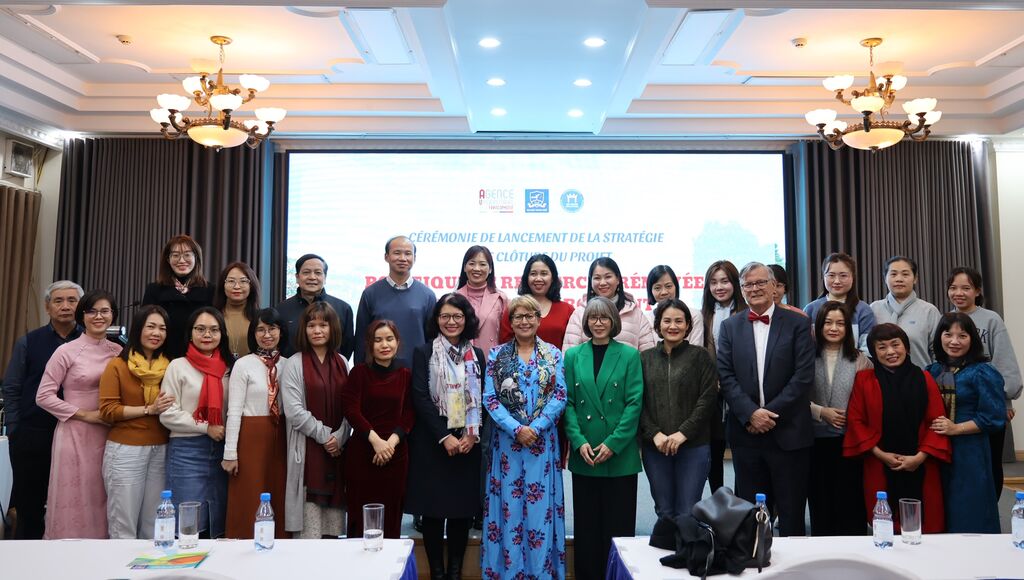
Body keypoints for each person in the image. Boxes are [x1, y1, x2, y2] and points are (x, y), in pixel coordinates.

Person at [717, 262, 815, 537]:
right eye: (748, 284)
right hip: (746, 435)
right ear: (741, 290)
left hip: (789, 434)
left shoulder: (798, 323)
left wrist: (767, 414)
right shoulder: (729, 326)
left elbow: (803, 376)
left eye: (761, 282)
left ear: (774, 286)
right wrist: (751, 414)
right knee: (751, 517)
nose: (755, 288)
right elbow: (726, 376)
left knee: (792, 514)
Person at [481, 296, 567, 579]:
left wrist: (537, 427)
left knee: (540, 512)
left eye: (530, 316)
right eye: (518, 317)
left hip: (542, 445)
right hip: (508, 446)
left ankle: (540, 573)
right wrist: (517, 429)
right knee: (510, 510)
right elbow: (490, 398)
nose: (524, 321)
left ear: (538, 320)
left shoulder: (553, 354)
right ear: (511, 322)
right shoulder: (497, 355)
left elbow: (560, 395)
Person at [563, 297, 643, 580]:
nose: (598, 323)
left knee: (618, 529)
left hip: (619, 455)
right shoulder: (573, 356)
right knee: (586, 530)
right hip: (585, 453)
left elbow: (634, 403)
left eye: (604, 318)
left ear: (614, 321)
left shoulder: (629, 355)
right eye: (593, 318)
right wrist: (578, 441)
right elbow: (568, 403)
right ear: (586, 322)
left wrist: (613, 443)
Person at [844, 323, 951, 533]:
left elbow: (936, 422)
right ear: (873, 352)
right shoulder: (864, 380)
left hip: (921, 464)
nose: (890, 352)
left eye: (895, 344)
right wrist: (880, 454)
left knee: (926, 523)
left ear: (906, 347)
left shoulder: (924, 378)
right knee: (885, 524)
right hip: (880, 462)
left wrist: (919, 457)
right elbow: (856, 421)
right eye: (882, 347)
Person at [406, 294, 484, 580]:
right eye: (445, 316)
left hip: (467, 443)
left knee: (461, 513)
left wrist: (471, 435)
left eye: (457, 316)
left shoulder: (478, 355)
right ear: (436, 319)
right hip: (432, 442)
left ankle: (455, 572)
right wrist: (444, 436)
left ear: (467, 320)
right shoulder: (424, 352)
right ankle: (437, 572)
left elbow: (483, 399)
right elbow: (420, 397)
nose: (451, 322)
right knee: (434, 512)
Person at [35, 289, 122, 538]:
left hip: (109, 434)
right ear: (82, 315)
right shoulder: (66, 351)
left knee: (104, 494)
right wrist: (85, 415)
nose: (98, 316)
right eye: (91, 311)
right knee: (74, 496)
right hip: (74, 433)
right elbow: (43, 396)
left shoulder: (118, 351)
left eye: (104, 311)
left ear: (113, 315)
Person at [2, 280, 83, 539]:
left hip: (78, 434)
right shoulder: (28, 341)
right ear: (47, 307)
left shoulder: (90, 340)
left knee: (75, 503)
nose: (65, 306)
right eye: (58, 301)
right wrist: (15, 428)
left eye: (72, 300)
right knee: (30, 506)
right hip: (33, 434)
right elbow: (11, 388)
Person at [98, 305, 176, 539]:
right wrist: (149, 409)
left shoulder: (171, 366)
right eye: (150, 326)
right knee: (123, 523)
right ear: (138, 329)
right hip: (125, 450)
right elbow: (107, 410)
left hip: (161, 448)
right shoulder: (118, 365)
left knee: (154, 525)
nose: (157, 333)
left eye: (162, 328)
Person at [947, 266, 1022, 498]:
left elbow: (1004, 363)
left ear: (978, 291)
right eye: (953, 288)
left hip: (988, 403)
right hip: (958, 405)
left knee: (990, 462)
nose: (959, 293)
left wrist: (1004, 401)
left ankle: (991, 509)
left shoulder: (991, 319)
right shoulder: (946, 319)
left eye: (966, 288)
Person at [926, 313, 1005, 533]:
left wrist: (955, 429)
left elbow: (994, 417)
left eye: (962, 335)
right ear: (939, 337)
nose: (954, 341)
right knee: (939, 509)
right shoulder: (932, 370)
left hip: (969, 450)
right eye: (948, 334)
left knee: (969, 509)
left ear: (972, 339)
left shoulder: (982, 372)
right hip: (937, 450)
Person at [639, 298, 717, 520]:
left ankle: (688, 545)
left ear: (688, 325)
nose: (672, 326)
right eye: (667, 321)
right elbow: (637, 401)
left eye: (679, 321)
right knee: (664, 511)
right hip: (656, 447)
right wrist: (654, 433)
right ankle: (666, 545)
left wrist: (683, 433)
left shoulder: (700, 356)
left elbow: (708, 399)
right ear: (658, 325)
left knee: (687, 511)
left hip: (693, 446)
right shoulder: (645, 358)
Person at [159, 306, 233, 538]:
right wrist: (206, 427)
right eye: (200, 329)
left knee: (218, 519)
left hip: (222, 450)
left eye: (214, 330)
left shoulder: (229, 368)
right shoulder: (177, 366)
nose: (207, 335)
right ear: (190, 333)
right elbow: (168, 413)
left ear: (222, 334)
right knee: (188, 522)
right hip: (186, 451)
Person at [280, 302, 351, 538]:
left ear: (333, 328)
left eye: (323, 325)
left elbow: (350, 407)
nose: (317, 330)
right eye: (311, 325)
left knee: (332, 533)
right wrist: (327, 437)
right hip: (307, 451)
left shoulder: (343, 362)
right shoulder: (294, 363)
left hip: (337, 454)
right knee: (308, 535)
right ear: (304, 329)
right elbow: (294, 411)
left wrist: (340, 438)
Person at [342, 320, 415, 539]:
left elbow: (409, 413)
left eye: (389, 339)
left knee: (391, 518)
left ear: (397, 342)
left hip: (396, 455)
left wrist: (390, 444)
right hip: (363, 454)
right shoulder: (359, 373)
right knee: (359, 517)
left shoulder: (406, 374)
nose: (385, 345)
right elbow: (351, 409)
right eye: (378, 340)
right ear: (369, 345)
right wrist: (376, 442)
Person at [223, 308, 289, 539]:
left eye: (272, 328)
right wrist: (230, 453)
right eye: (260, 329)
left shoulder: (289, 364)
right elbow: (234, 411)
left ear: (281, 332)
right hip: (250, 437)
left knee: (279, 493)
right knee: (249, 495)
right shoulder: (243, 364)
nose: (266, 334)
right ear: (253, 334)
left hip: (282, 436)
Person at [807, 301, 871, 536]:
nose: (834, 328)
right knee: (820, 501)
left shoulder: (861, 360)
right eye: (828, 323)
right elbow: (794, 397)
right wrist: (820, 411)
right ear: (818, 326)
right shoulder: (805, 357)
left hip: (849, 442)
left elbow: (867, 402)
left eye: (840, 323)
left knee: (850, 503)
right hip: (814, 441)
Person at [699, 260, 746, 493]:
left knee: (743, 454)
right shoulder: (703, 315)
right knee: (714, 452)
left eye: (725, 281)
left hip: (741, 392)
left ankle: (743, 503)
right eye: (713, 282)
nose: (719, 287)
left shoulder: (747, 312)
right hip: (713, 394)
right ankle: (719, 501)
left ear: (735, 283)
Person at [355, 236, 437, 367]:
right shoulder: (370, 294)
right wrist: (359, 371)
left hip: (416, 371)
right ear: (386, 257)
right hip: (378, 372)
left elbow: (433, 340)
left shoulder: (427, 295)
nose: (403, 258)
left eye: (408, 253)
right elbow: (361, 339)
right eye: (397, 253)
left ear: (414, 258)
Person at [562, 257, 655, 352]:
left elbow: (648, 354)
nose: (602, 283)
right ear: (590, 281)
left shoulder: (635, 314)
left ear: (618, 279)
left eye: (608, 277)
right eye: (597, 278)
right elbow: (569, 354)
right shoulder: (579, 313)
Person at [142, 235, 213, 359]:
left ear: (196, 258)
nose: (181, 260)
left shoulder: (210, 290)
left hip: (199, 357)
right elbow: (144, 326)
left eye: (187, 255)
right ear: (168, 259)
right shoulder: (154, 290)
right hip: (162, 357)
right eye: (175, 255)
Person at [276, 254, 354, 359]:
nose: (312, 277)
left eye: (318, 273)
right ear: (297, 277)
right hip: (291, 368)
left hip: (332, 369)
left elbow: (347, 347)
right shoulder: (281, 309)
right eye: (306, 272)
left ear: (325, 277)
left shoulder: (343, 309)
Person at [870, 256, 940, 368]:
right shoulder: (874, 309)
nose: (899, 279)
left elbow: (938, 353)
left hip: (920, 376)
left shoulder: (929, 311)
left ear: (915, 278)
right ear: (885, 278)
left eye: (905, 274)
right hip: (880, 377)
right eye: (893, 274)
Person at [803, 252, 875, 354]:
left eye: (843, 276)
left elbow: (868, 349)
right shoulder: (810, 309)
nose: (837, 281)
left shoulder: (863, 310)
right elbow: (804, 347)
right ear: (823, 277)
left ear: (853, 278)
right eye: (831, 275)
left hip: (855, 363)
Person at [498, 253, 575, 347]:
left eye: (544, 274)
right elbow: (504, 345)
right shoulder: (513, 308)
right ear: (526, 278)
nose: (538, 278)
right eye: (533, 274)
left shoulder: (567, 310)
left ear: (553, 278)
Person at [456, 245, 508, 355]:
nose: (476, 268)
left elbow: (507, 336)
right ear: (464, 267)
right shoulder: (453, 298)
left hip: (492, 360)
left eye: (482, 264)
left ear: (490, 269)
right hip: (461, 360)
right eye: (472, 263)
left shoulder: (501, 299)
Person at [644, 265, 704, 347]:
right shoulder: (646, 319)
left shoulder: (694, 315)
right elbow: (648, 352)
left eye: (668, 286)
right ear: (650, 291)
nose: (664, 292)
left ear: (676, 287)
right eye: (657, 288)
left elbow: (697, 351)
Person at [213, 262, 261, 358]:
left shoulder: (260, 318)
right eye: (231, 281)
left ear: (251, 285)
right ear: (223, 284)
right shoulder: (211, 317)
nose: (237, 287)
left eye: (243, 281)